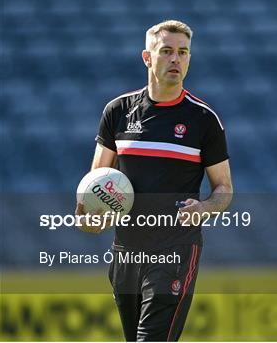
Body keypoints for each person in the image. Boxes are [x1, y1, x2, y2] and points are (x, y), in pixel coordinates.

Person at [76, 20, 233, 341]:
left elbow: (224, 189)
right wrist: (88, 217)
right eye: (167, 51)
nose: (176, 59)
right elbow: (95, 182)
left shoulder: (204, 120)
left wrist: (204, 208)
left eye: (183, 52)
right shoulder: (117, 112)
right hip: (126, 250)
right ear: (147, 57)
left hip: (175, 249)